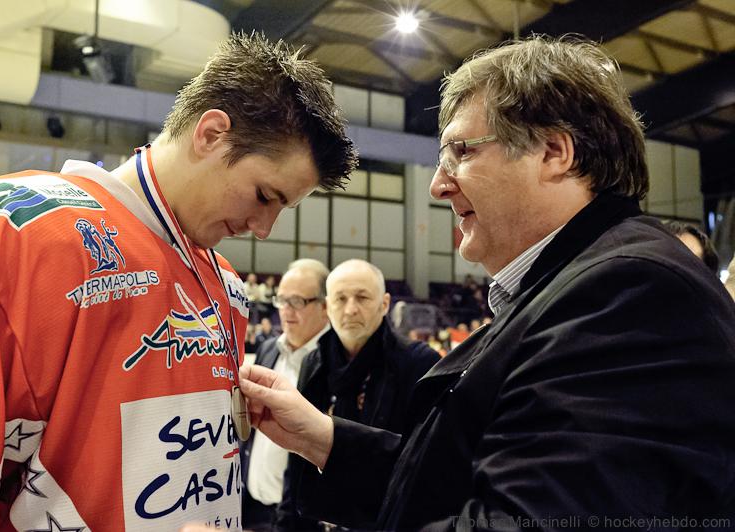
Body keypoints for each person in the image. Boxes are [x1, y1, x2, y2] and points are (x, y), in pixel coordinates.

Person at [238, 36, 735, 531]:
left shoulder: (631, 292)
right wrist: (322, 438)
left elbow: (521, 520)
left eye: (460, 151)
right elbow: (458, 483)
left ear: (553, 152)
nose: (438, 185)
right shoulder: (577, 285)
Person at [0, 32, 356, 530]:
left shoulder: (225, 284)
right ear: (211, 134)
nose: (264, 229)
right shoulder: (5, 231)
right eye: (265, 195)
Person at [276, 259, 440, 530]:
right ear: (327, 307)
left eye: (362, 298)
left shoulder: (419, 363)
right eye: (340, 299)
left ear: (384, 304)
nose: (350, 309)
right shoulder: (314, 363)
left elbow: (424, 462)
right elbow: (297, 462)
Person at [241, 259, 331, 531]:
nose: (286, 310)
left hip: (299, 519)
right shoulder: (268, 349)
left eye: (298, 301)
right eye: (282, 300)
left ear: (325, 307)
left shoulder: (335, 361)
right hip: (253, 509)